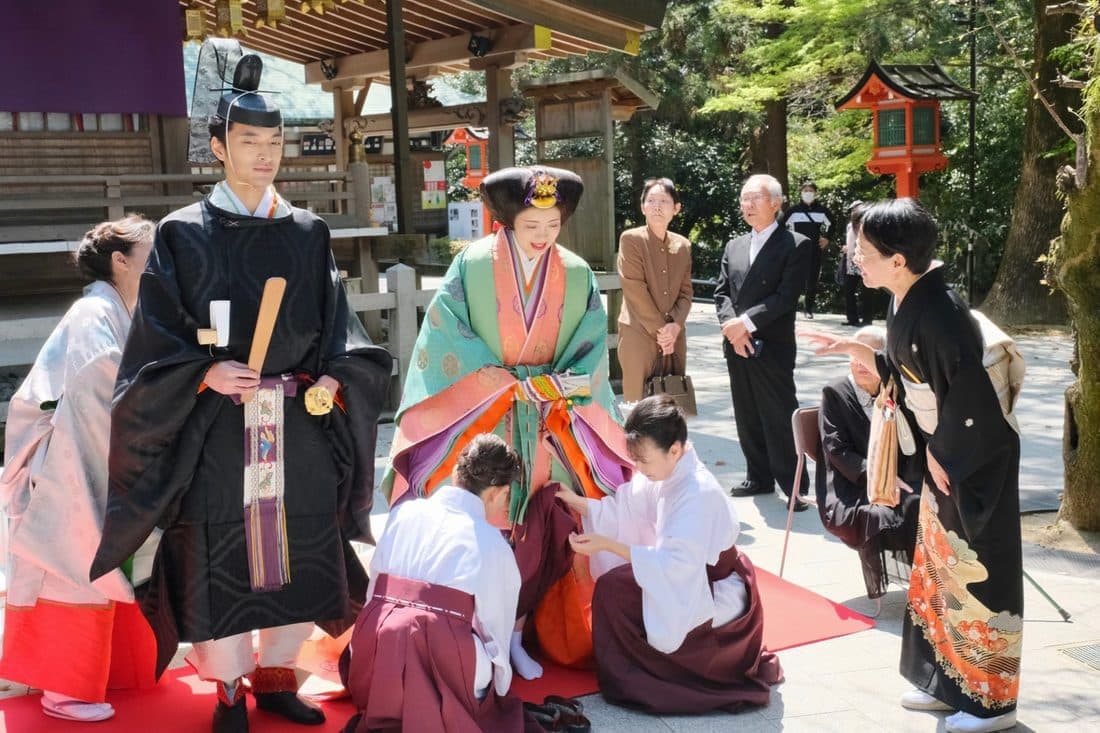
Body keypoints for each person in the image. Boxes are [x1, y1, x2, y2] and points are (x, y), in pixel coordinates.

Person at [88, 55, 392, 733]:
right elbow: (156, 340)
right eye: (249, 143)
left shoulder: (309, 234)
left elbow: (339, 325)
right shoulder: (182, 235)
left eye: (274, 143)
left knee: (301, 549)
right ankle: (227, 689)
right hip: (218, 426)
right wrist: (203, 372)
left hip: (296, 418)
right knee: (214, 555)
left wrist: (340, 374)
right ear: (219, 146)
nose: (264, 156)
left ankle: (277, 676)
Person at [380, 165, 632, 681]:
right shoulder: (471, 266)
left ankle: (520, 632)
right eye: (531, 226)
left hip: (546, 419)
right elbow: (444, 338)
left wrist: (555, 385)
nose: (542, 237)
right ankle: (471, 634)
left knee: (538, 529)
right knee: (480, 524)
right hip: (482, 419)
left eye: (553, 225)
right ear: (507, 222)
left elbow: (589, 351)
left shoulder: (578, 273)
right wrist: (498, 383)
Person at [802, 199, 1023, 733]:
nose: (856, 258)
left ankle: (992, 701)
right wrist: (854, 346)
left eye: (865, 251)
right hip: (942, 454)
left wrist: (943, 453)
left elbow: (971, 401)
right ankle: (946, 684)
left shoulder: (941, 312)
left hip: (974, 463)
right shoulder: (906, 300)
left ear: (898, 260)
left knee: (978, 575)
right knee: (938, 574)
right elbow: (910, 373)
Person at [0, 216, 157, 722]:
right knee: (73, 568)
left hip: (91, 447)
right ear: (120, 260)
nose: (159, 264)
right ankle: (63, 688)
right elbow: (102, 378)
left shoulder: (117, 308)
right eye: (150, 253)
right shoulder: (94, 310)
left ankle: (102, 673)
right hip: (68, 458)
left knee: (103, 563)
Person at [556, 395, 782, 713]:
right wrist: (581, 504)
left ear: (675, 449)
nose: (639, 468)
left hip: (711, 585)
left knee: (614, 589)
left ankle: (643, 678)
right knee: (615, 586)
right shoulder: (667, 471)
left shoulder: (697, 491)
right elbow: (629, 509)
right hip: (686, 574)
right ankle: (630, 671)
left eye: (644, 460)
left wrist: (607, 545)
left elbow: (677, 565)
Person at [343, 434, 547, 733]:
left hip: (375, 653)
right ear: (498, 492)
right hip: (444, 660)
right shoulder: (490, 541)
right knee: (486, 677)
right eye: (505, 497)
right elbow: (495, 625)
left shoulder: (404, 511)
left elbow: (375, 586)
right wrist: (499, 684)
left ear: (455, 475)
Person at [716, 174, 811, 507]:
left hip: (772, 342)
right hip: (736, 342)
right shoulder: (734, 245)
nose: (748, 205)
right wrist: (731, 326)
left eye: (755, 198)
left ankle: (795, 484)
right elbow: (722, 292)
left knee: (779, 412)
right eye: (744, 198)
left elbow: (786, 296)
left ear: (776, 202)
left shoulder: (796, 244)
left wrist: (745, 323)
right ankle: (758, 476)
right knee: (746, 411)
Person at [816, 325, 922, 599]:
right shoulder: (835, 392)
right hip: (852, 485)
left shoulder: (896, 391)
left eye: (867, 355)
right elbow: (836, 450)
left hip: (895, 476)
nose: (859, 363)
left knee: (926, 502)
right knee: (880, 513)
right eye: (854, 354)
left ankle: (930, 585)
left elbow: (914, 443)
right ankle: (921, 589)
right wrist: (879, 478)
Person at [615, 177, 694, 402]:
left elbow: (686, 291)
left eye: (664, 201)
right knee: (638, 402)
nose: (657, 206)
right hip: (638, 332)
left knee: (673, 400)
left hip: (674, 334)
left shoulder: (683, 245)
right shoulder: (631, 239)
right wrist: (662, 330)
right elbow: (634, 288)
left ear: (676, 208)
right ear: (642, 207)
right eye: (651, 200)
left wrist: (675, 326)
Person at [782, 180, 835, 319]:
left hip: (814, 249)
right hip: (796, 249)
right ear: (800, 193)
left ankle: (808, 309)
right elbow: (780, 226)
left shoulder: (822, 210)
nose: (808, 193)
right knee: (793, 278)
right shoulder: (793, 210)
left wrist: (827, 238)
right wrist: (787, 242)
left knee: (812, 280)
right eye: (805, 191)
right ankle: (789, 308)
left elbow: (833, 223)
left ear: (815, 193)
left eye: (810, 191)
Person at [840, 201, 876, 326]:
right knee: (848, 290)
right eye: (852, 209)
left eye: (857, 209)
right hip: (851, 262)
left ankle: (867, 320)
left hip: (866, 261)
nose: (854, 211)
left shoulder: (869, 224)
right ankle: (852, 318)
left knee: (867, 292)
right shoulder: (850, 225)